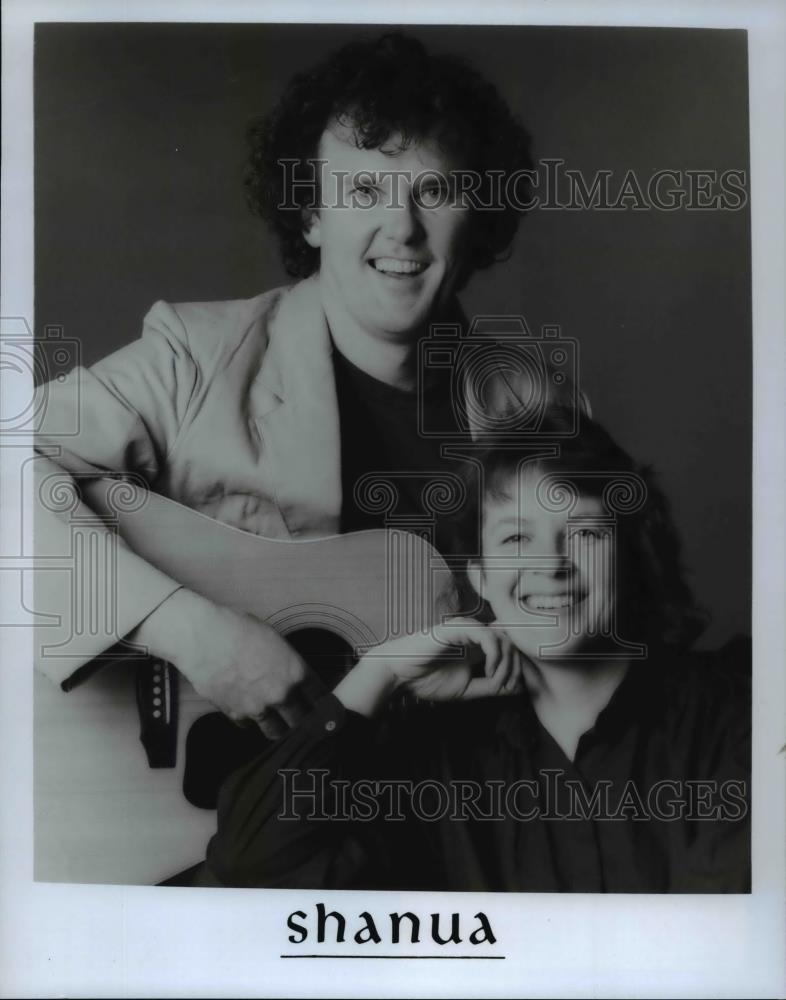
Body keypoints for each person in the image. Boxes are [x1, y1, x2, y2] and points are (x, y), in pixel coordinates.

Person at [33, 32, 535, 738]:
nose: (403, 228)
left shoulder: (535, 411)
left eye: (437, 191)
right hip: (223, 819)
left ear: (477, 216)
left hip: (440, 812)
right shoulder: (195, 358)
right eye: (364, 189)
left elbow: (584, 639)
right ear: (310, 214)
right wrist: (187, 630)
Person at [200, 411, 751, 892]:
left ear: (627, 557)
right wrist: (381, 670)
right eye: (516, 539)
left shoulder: (732, 708)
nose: (549, 565)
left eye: (584, 533)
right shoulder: (437, 758)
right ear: (481, 578)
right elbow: (250, 856)